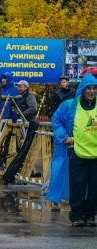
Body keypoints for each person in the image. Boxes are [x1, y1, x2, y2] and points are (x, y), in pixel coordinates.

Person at [51, 73, 97, 227]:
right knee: (77, 186)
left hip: (95, 154)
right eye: (88, 88)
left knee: (95, 187)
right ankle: (76, 215)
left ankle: (91, 215)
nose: (91, 91)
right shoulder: (70, 105)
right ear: (82, 90)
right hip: (77, 153)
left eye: (94, 88)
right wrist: (64, 137)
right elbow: (56, 120)